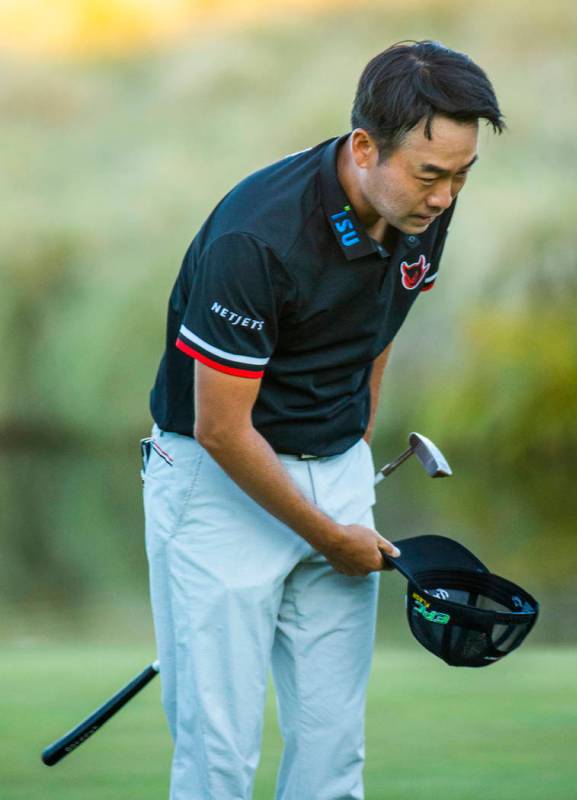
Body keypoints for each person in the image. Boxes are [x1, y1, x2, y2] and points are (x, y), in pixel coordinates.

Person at [142, 39, 504, 800]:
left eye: (462, 175)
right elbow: (220, 427)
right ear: (365, 146)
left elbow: (379, 324)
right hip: (217, 485)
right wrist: (326, 532)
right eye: (430, 173)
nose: (443, 198)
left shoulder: (420, 207)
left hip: (334, 474)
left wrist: (348, 453)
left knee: (333, 754)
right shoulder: (257, 236)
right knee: (218, 757)